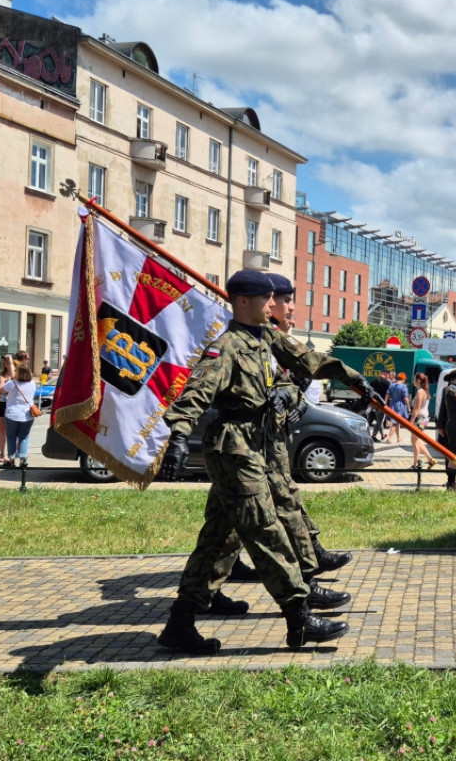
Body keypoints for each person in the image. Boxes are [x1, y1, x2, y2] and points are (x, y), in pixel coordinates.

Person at [156, 269, 382, 655]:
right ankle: (299, 617)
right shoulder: (226, 346)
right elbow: (197, 391)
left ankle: (180, 623)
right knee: (266, 530)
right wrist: (177, 436)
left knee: (217, 540)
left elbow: (307, 361)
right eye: (265, 299)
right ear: (243, 302)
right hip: (235, 449)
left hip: (258, 446)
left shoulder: (265, 339)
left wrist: (355, 379)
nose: (273, 305)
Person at [225, 272, 353, 589]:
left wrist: (294, 392)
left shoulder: (277, 336)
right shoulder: (251, 339)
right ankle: (304, 583)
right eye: (283, 300)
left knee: (240, 512)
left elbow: (291, 380)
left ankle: (214, 578)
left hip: (269, 436)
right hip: (246, 441)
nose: (288, 306)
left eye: (283, 299)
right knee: (274, 507)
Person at [1, 362, 37, 468]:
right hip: (27, 414)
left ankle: (11, 460)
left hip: (12, 413)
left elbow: (2, 391)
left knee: (11, 437)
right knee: (24, 436)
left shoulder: (12, 383)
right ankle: (23, 460)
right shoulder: (32, 383)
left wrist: (3, 381)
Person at [410, 372, 437, 470]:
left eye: (414, 379)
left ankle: (416, 464)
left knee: (415, 442)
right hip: (424, 418)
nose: (413, 381)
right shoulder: (425, 391)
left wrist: (411, 420)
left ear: (418, 380)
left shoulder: (420, 391)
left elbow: (417, 408)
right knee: (416, 441)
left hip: (419, 418)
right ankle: (430, 459)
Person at [0, 354, 13, 463]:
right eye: (4, 361)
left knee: (11, 431)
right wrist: (2, 381)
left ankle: (12, 455)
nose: (6, 363)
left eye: (8, 361)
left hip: (12, 405)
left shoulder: (16, 375)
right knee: (1, 431)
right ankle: (2, 453)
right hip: (1, 403)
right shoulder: (0, 374)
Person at [384, 372, 410, 444]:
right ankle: (389, 438)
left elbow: (387, 395)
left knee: (397, 422)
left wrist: (385, 403)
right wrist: (408, 406)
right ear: (403, 379)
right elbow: (405, 398)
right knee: (395, 422)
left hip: (392, 404)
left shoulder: (392, 385)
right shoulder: (403, 387)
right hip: (400, 405)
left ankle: (398, 437)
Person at [369, 370, 391, 440]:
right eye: (388, 375)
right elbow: (389, 394)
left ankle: (382, 434)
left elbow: (370, 391)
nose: (388, 377)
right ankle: (374, 435)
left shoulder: (373, 381)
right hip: (382, 404)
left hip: (375, 403)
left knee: (379, 419)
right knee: (380, 420)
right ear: (385, 374)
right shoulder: (387, 383)